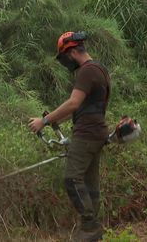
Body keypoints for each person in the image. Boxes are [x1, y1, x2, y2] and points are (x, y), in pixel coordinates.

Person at [28, 31, 111, 241]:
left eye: (64, 58)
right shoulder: (100, 69)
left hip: (86, 135)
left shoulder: (86, 71)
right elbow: (85, 108)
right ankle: (94, 233)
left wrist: (44, 122)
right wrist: (57, 120)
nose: (65, 63)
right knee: (91, 184)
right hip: (96, 132)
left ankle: (90, 226)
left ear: (73, 52)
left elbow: (73, 103)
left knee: (72, 179)